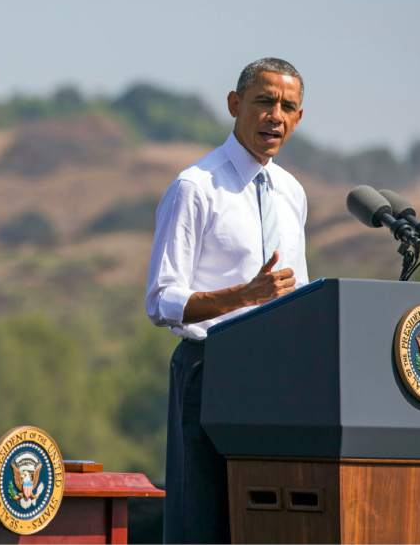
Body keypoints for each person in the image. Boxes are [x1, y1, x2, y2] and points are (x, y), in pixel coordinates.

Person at [144, 57, 310, 543]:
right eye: (264, 102)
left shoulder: (292, 192)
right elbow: (162, 299)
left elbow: (296, 290)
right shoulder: (195, 188)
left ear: (299, 119)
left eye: (288, 106)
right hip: (211, 372)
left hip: (281, 379)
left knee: (264, 523)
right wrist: (244, 296)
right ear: (235, 105)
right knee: (205, 522)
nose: (275, 115)